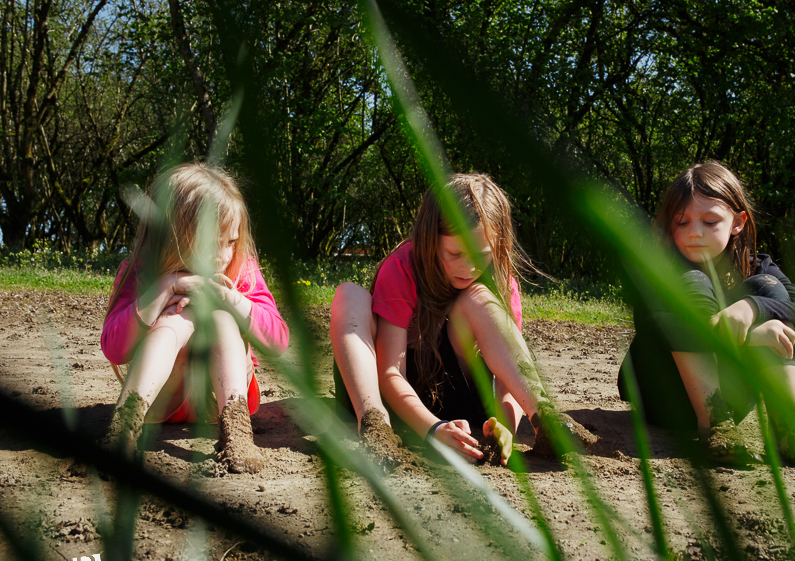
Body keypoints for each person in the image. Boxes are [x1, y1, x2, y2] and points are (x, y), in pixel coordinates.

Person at [330, 173, 595, 467]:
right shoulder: (403, 268)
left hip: (460, 405)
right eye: (454, 253)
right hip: (385, 396)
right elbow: (391, 371)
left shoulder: (500, 286)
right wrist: (431, 430)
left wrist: (504, 425)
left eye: (481, 255)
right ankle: (374, 426)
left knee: (478, 296)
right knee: (348, 294)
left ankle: (545, 418)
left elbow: (510, 376)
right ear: (429, 240)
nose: (468, 267)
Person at [618, 161, 795, 464]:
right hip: (665, 396)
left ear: (738, 222)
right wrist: (752, 336)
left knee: (768, 287)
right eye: (681, 222)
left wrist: (752, 307)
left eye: (709, 222)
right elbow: (657, 326)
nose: (694, 233)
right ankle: (715, 428)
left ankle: (789, 434)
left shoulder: (758, 266)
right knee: (694, 281)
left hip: (734, 395)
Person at [100, 163, 289, 474]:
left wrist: (230, 300)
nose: (225, 255)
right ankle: (123, 425)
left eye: (231, 242)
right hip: (163, 399)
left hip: (219, 398)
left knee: (221, 317)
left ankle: (238, 432)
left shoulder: (241, 269)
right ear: (173, 236)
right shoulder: (142, 270)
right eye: (211, 243)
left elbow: (278, 342)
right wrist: (164, 290)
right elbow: (114, 349)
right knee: (174, 321)